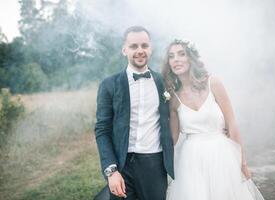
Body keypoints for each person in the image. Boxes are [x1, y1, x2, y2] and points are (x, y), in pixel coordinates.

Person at [162, 39, 265, 200]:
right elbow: (172, 139)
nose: (176, 59)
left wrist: (242, 163)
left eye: (181, 54)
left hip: (221, 154)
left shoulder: (213, 84)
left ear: (191, 58)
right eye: (171, 56)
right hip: (191, 160)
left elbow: (232, 124)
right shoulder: (174, 99)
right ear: (168, 63)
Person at [94, 26, 174, 200]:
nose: (140, 51)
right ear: (124, 50)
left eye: (144, 46)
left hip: (155, 164)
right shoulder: (109, 85)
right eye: (134, 46)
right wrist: (111, 170)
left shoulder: (163, 82)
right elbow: (102, 130)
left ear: (150, 49)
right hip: (122, 166)